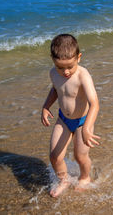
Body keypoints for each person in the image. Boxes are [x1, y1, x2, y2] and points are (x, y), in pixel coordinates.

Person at [41, 34, 100, 197]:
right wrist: (46, 106)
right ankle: (64, 180)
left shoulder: (83, 75)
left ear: (78, 58)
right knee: (54, 156)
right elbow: (55, 89)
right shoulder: (53, 73)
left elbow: (94, 103)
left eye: (69, 67)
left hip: (82, 122)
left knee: (80, 156)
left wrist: (87, 127)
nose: (65, 72)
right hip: (63, 120)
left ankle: (85, 176)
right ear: (52, 60)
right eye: (60, 67)